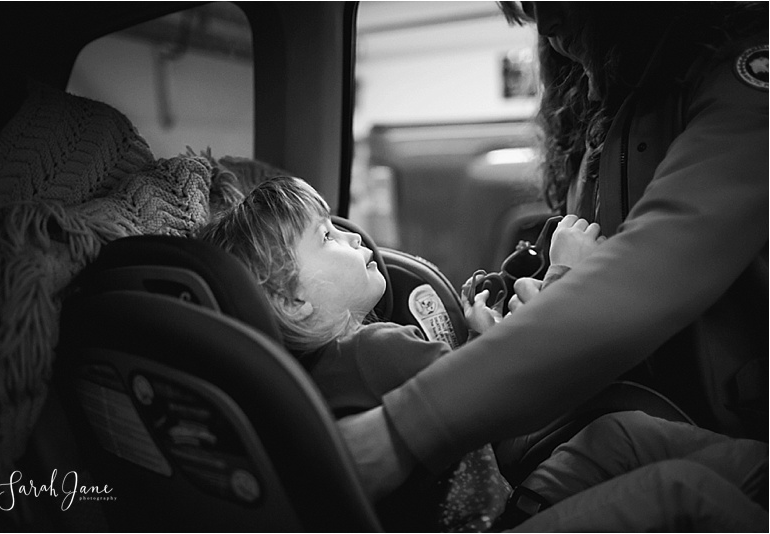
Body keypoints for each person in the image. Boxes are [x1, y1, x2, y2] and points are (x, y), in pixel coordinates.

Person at [335, 0, 768, 518]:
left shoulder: (747, 76)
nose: (546, 21)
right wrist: (539, 298)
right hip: (648, 414)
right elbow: (603, 273)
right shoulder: (623, 114)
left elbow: (652, 268)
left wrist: (401, 431)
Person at [199, 176, 766, 531]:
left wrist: (481, 341)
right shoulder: (375, 350)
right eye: (327, 236)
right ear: (289, 300)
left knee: (616, 436)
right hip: (497, 525)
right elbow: (514, 393)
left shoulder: (320, 373)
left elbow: (463, 403)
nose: (353, 238)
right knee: (679, 490)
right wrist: (569, 274)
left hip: (496, 508)